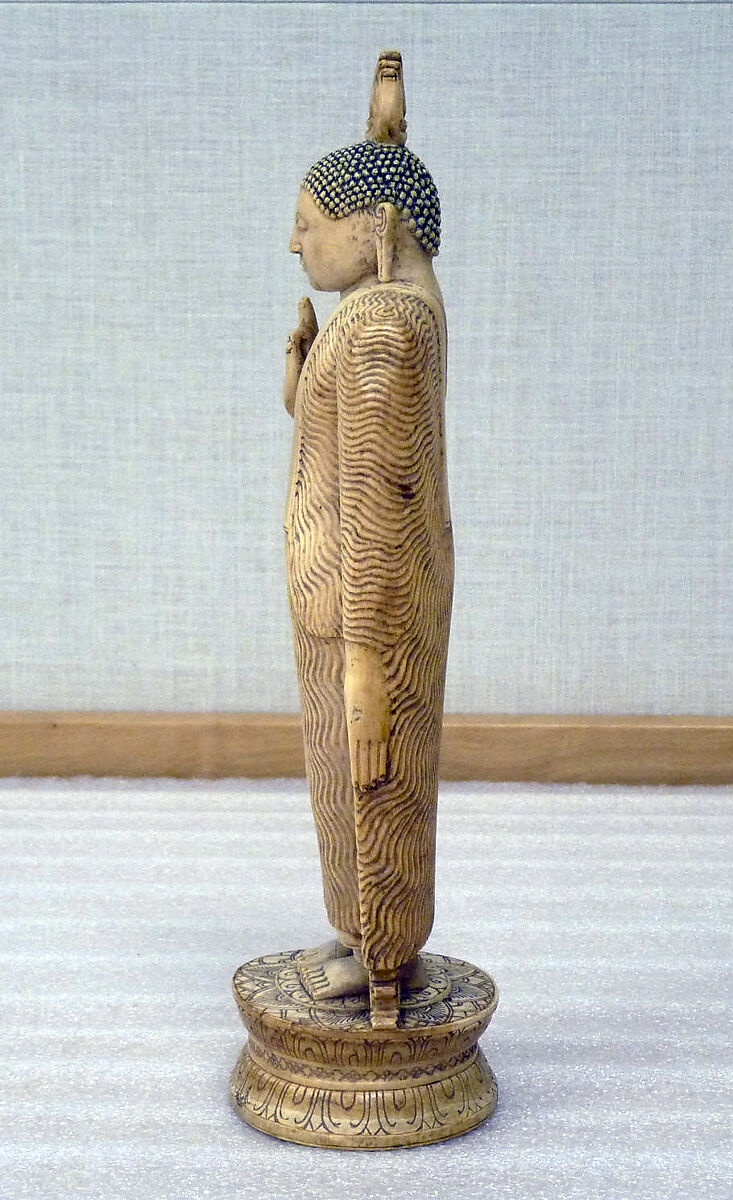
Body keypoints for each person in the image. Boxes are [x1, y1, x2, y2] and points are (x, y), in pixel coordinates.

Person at [283, 53, 453, 1027]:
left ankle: (384, 962)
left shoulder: (384, 327)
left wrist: (364, 662)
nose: (294, 244)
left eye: (309, 226)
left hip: (364, 612)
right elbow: (348, 457)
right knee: (350, 787)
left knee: (372, 784)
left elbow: (383, 515)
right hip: (347, 605)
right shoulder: (375, 318)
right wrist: (304, 381)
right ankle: (366, 937)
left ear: (373, 229)